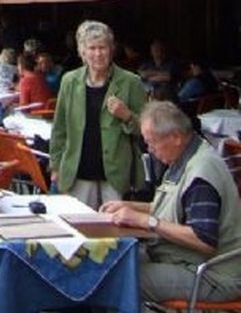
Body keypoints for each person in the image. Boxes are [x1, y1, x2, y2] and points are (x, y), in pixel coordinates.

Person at [102, 100, 241, 309]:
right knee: (115, 261)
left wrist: (146, 221)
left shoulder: (201, 174)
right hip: (182, 261)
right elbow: (172, 208)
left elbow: (204, 239)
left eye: (152, 142)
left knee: (124, 279)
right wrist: (126, 206)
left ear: (175, 137)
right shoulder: (184, 158)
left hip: (214, 274)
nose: (150, 149)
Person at [49, 19, 147, 209]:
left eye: (102, 47)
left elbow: (145, 130)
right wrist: (55, 166)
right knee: (81, 231)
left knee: (112, 231)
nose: (98, 54)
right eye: (92, 48)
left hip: (115, 175)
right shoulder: (69, 81)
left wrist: (126, 115)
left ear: (111, 50)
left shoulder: (130, 82)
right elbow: (59, 127)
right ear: (82, 52)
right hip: (78, 172)